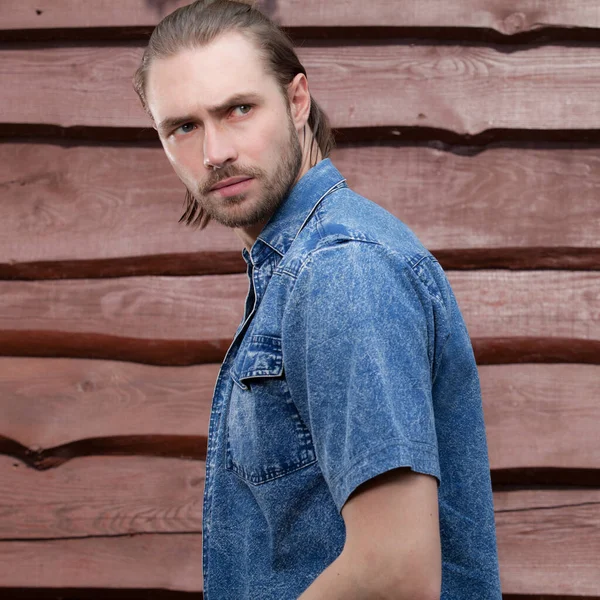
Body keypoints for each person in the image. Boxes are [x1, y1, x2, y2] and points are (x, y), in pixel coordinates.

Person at [133, 1, 502, 598]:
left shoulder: (339, 270)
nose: (215, 152)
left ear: (297, 101)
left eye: (239, 110)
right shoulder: (298, 269)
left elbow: (395, 574)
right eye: (184, 126)